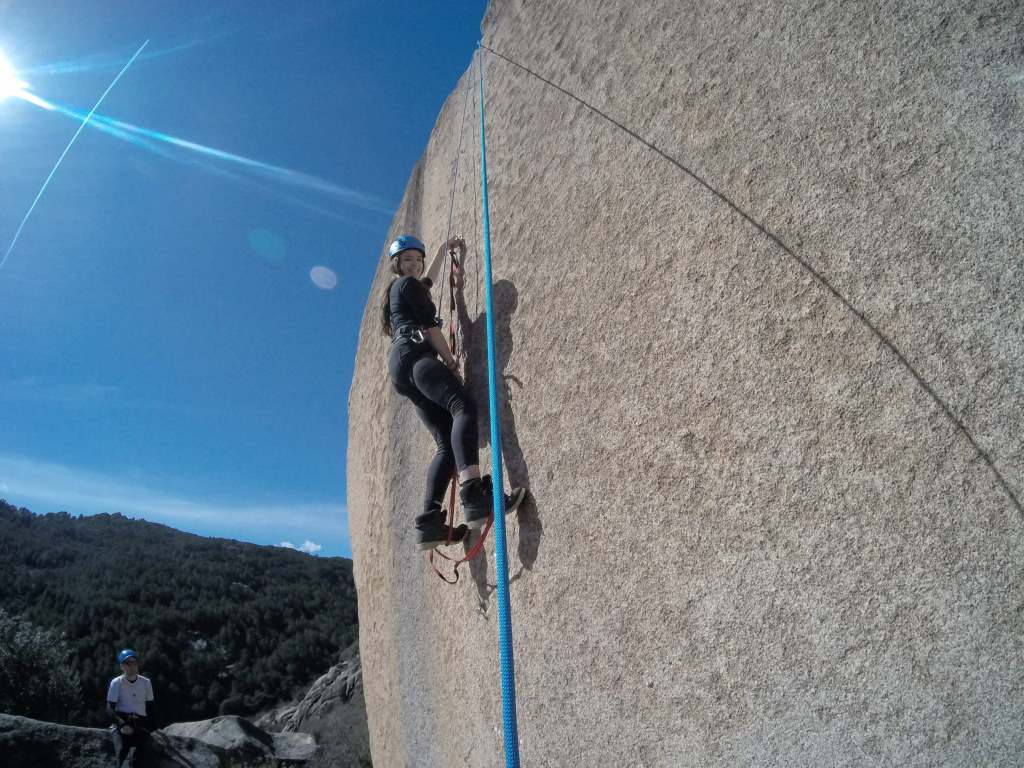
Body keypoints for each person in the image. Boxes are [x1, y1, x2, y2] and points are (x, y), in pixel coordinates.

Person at [381, 233, 525, 549]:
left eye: (418, 260)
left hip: (401, 367)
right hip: (416, 355)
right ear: (397, 265)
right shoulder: (406, 286)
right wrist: (449, 360)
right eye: (407, 260)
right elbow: (431, 328)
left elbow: (427, 282)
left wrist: (445, 249)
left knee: (445, 443)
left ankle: (429, 522)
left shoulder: (404, 291)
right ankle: (473, 493)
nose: (414, 265)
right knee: (462, 405)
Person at [106, 648, 154, 768]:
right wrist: (122, 724)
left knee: (139, 755)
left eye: (134, 662)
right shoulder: (116, 683)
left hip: (140, 721)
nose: (132, 666)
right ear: (122, 666)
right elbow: (109, 708)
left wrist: (152, 726)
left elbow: (150, 707)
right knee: (122, 751)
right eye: (128, 663)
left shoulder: (146, 683)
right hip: (122, 720)